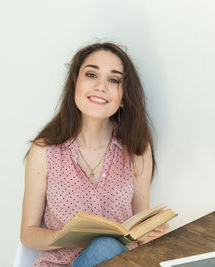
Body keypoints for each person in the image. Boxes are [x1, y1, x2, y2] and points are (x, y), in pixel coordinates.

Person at [20, 42, 168, 267]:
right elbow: (27, 234)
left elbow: (139, 228)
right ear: (75, 84)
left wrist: (150, 234)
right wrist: (64, 235)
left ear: (123, 96)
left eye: (113, 80)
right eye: (91, 75)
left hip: (116, 262)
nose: (101, 87)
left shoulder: (137, 149)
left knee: (108, 248)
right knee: (104, 246)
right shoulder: (44, 151)